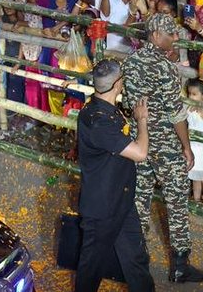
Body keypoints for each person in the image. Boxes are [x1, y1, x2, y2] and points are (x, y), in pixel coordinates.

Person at [121, 14, 203, 284]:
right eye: (170, 34)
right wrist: (186, 146)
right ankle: (180, 265)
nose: (175, 38)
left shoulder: (130, 61)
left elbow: (127, 102)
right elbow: (176, 114)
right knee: (176, 202)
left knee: (139, 199)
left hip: (139, 140)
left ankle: (136, 260)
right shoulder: (165, 67)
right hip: (166, 145)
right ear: (155, 35)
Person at [74, 59, 154, 292]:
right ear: (118, 84)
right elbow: (140, 153)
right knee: (91, 268)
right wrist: (142, 120)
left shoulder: (101, 107)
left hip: (121, 199)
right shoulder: (98, 121)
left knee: (136, 259)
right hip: (102, 209)